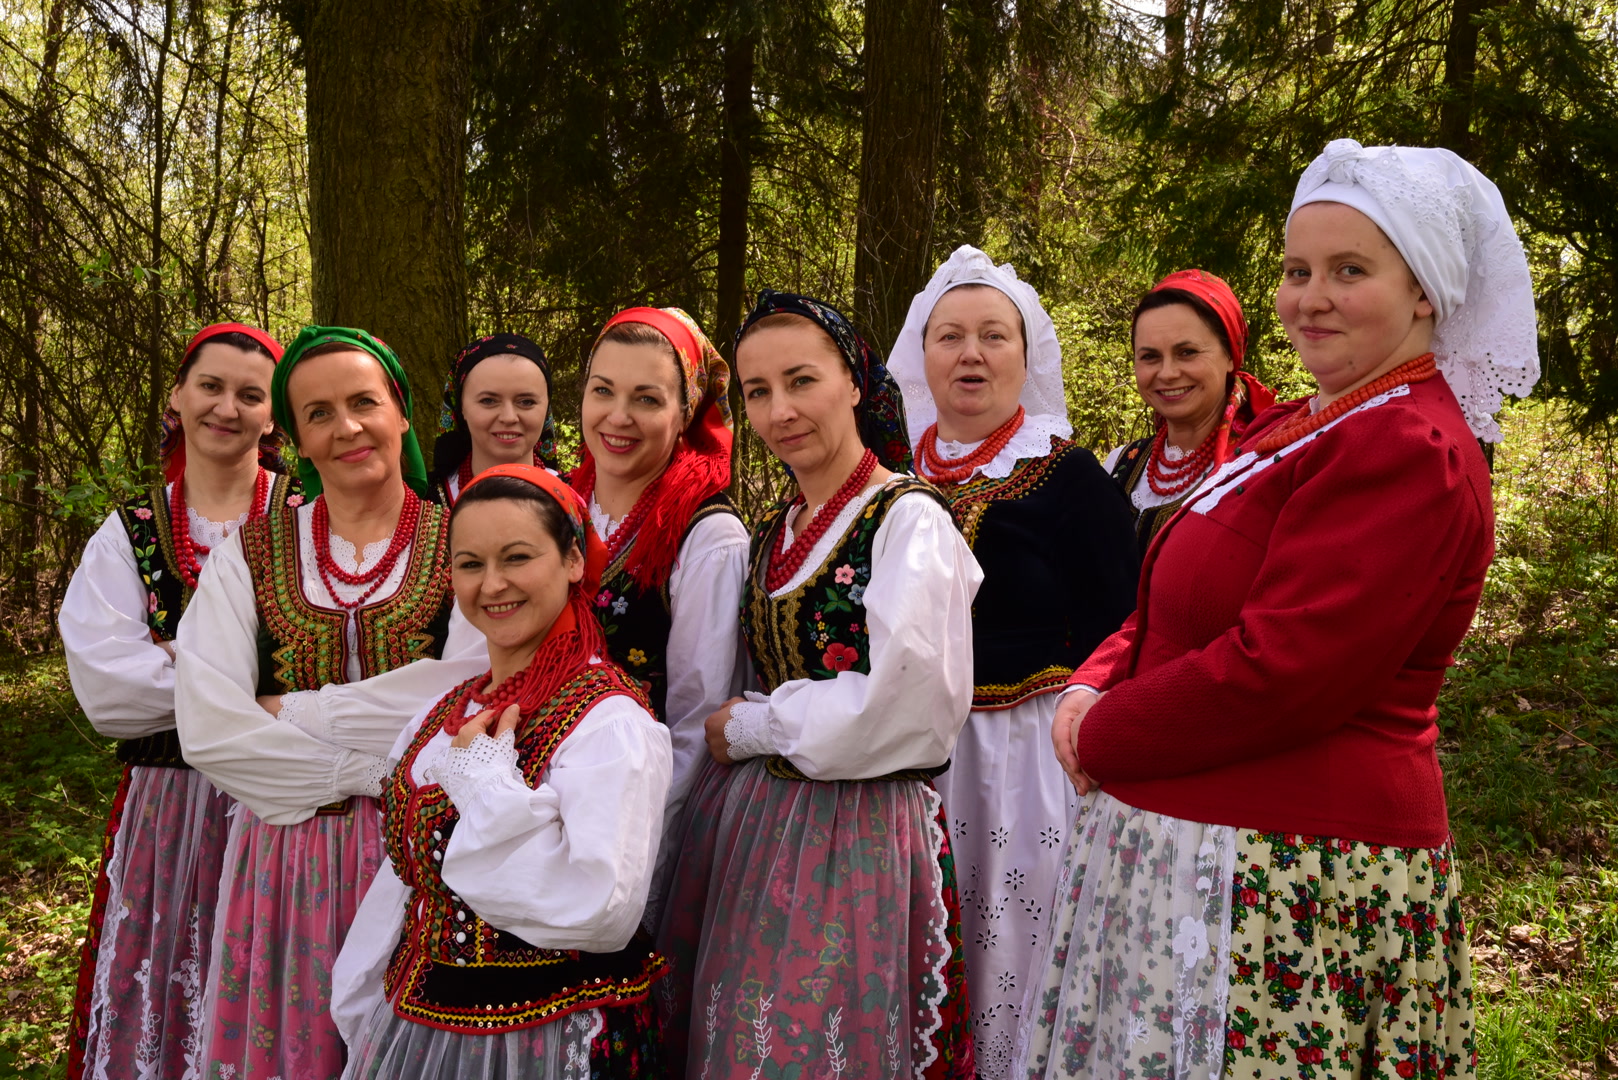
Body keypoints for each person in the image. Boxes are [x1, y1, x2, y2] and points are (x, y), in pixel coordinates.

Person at [1016, 139, 1540, 1080]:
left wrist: (1103, 734)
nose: (1311, 298)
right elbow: (1169, 596)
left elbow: (1281, 671)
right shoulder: (1309, 420)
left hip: (1288, 883)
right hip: (1204, 846)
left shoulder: (1408, 447)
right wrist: (1092, 682)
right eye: (1298, 271)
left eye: (1350, 271)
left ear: (1425, 291)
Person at [656, 290, 982, 1079]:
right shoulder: (776, 528)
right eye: (758, 391)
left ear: (854, 383)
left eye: (801, 381)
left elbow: (913, 706)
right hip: (752, 833)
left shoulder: (908, 521)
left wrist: (756, 726)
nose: (780, 411)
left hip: (859, 835)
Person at [176, 326, 490, 1080]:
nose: (346, 427)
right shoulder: (249, 555)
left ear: (401, 413)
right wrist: (368, 770)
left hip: (428, 862)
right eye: (319, 413)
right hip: (284, 866)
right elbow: (210, 729)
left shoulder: (467, 544)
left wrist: (291, 711)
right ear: (295, 439)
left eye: (363, 403)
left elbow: (466, 699)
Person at [887, 246, 1139, 1077]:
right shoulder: (887, 478)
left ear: (1025, 358)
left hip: (1022, 768)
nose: (971, 354)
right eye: (950, 336)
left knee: (1013, 957)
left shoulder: (1068, 476)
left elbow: (1125, 625)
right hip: (901, 761)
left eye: (994, 336)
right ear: (921, 355)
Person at [331, 464, 672, 1077]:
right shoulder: (443, 712)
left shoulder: (608, 721)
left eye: (517, 557)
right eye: (470, 564)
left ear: (573, 560)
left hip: (554, 1035)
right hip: (421, 1029)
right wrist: (359, 1006)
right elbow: (406, 892)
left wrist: (487, 783)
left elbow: (598, 906)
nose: (492, 584)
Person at [60, 322, 297, 1080]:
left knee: (276, 993)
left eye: (250, 394)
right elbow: (109, 691)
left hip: (283, 809)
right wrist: (255, 681)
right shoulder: (130, 530)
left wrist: (174, 658)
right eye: (211, 386)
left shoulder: (306, 519)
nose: (227, 407)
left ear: (273, 415)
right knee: (163, 992)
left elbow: (341, 665)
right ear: (178, 396)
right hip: (166, 809)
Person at [570, 306, 748, 809]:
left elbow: (695, 725)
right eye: (603, 390)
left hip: (634, 810)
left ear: (685, 412)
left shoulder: (709, 537)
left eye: (646, 399)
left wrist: (642, 842)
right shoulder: (552, 505)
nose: (618, 416)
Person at [1105, 269, 1277, 553]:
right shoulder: (1120, 464)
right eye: (1150, 356)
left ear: (1230, 356)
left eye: (1187, 352)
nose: (1168, 373)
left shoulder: (1261, 466)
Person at [429, 332, 560, 505]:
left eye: (526, 402)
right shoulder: (426, 502)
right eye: (488, 401)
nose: (508, 417)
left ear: (547, 408)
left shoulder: (576, 499)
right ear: (461, 408)